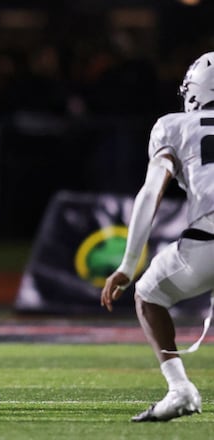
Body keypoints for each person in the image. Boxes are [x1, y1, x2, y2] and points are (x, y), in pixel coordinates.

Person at [100, 52, 214, 422]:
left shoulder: (175, 126)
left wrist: (128, 264)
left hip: (207, 242)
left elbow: (151, 193)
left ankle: (180, 389)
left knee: (149, 292)